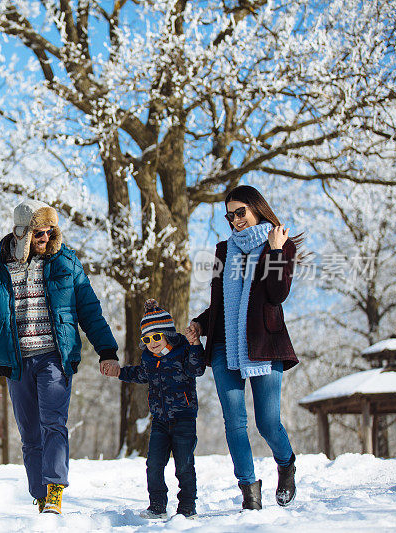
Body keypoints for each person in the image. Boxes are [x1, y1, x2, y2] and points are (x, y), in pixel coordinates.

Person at [0, 199, 118, 514]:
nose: (46, 238)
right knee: (30, 433)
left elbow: (89, 309)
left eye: (51, 231)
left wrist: (107, 350)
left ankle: (54, 490)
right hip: (17, 362)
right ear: (21, 231)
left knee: (54, 423)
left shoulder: (65, 262)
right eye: (39, 232)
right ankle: (39, 495)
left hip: (54, 357)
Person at [186, 185, 301, 510]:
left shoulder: (280, 244)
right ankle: (250, 493)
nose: (235, 219)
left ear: (256, 209)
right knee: (234, 422)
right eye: (230, 214)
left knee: (267, 422)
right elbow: (221, 305)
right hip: (224, 345)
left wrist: (276, 251)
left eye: (241, 212)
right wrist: (200, 324)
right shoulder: (224, 251)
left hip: (264, 344)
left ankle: (286, 464)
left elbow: (277, 295)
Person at [103, 299, 205, 519]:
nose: (152, 342)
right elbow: (140, 374)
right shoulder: (150, 358)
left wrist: (196, 345)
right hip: (159, 420)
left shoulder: (183, 350)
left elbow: (197, 369)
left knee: (184, 464)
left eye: (156, 336)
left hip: (184, 418)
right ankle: (157, 505)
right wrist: (119, 372)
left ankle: (187, 506)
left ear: (167, 334)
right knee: (154, 464)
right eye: (147, 339)